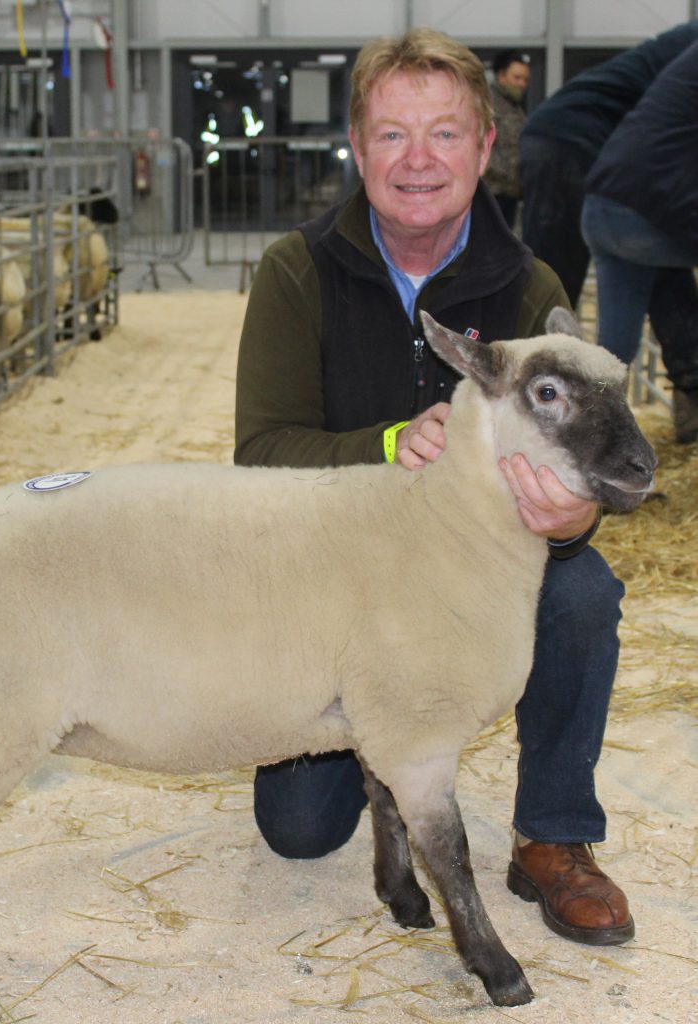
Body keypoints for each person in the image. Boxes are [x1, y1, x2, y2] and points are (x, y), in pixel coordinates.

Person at [236, 28, 634, 947]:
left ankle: (554, 834)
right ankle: (382, 763)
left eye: (446, 134)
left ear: (486, 148)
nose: (418, 160)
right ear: (356, 145)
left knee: (580, 587)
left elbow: (582, 457)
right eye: (391, 135)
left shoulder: (529, 287)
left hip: (471, 575)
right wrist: (386, 443)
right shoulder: (296, 272)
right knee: (298, 833)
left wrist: (572, 514)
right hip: (337, 588)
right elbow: (260, 451)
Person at [518, 19, 698, 308]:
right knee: (553, 291)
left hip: (572, 139)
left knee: (654, 243)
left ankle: (684, 350)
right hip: (572, 140)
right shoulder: (690, 46)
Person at [580, 41, 698, 444]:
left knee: (611, 357)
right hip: (647, 211)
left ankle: (590, 444)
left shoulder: (679, 70)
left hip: (602, 206)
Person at [482, 49, 529, 230]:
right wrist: (511, 177)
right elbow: (481, 147)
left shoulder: (514, 107)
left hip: (509, 193)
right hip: (492, 193)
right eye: (517, 78)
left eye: (525, 79)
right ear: (501, 75)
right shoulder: (488, 103)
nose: (522, 84)